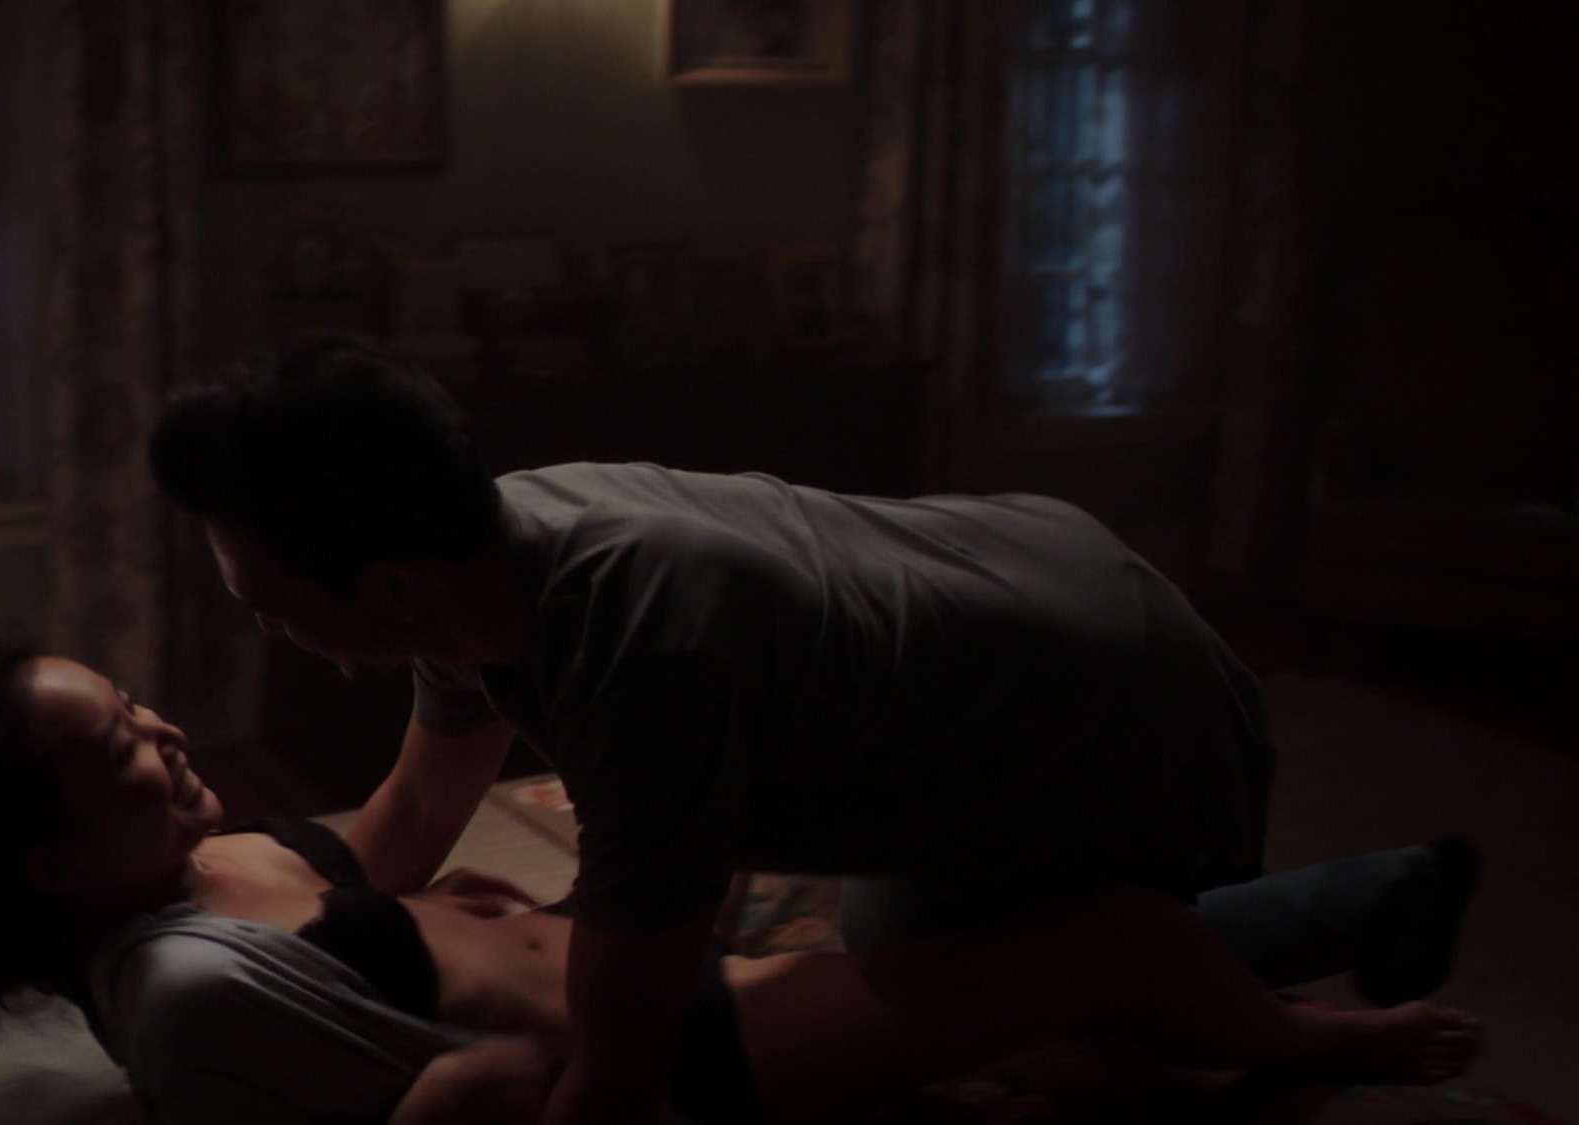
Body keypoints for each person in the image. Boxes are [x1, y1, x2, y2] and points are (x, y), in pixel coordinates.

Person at [143, 336, 1478, 1123]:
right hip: (1022, 620)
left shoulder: (640, 642)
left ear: (387, 589)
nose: (269, 630)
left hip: (1119, 716)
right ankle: (1385, 893)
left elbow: (621, 1066)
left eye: (269, 604)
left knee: (1024, 1009)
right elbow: (413, 818)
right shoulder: (474, 561)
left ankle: (1313, 1031)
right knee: (916, 959)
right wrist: (184, 884)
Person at [0, 635, 1481, 1125]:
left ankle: (1376, 899)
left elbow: (411, 813)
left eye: (140, 704)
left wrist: (460, 645)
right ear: (54, 858)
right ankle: (1313, 1038)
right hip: (685, 1054)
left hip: (662, 966)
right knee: (1105, 943)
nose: (168, 735)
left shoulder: (204, 858)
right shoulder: (186, 988)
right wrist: (495, 1062)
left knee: (985, 899)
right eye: (123, 747)